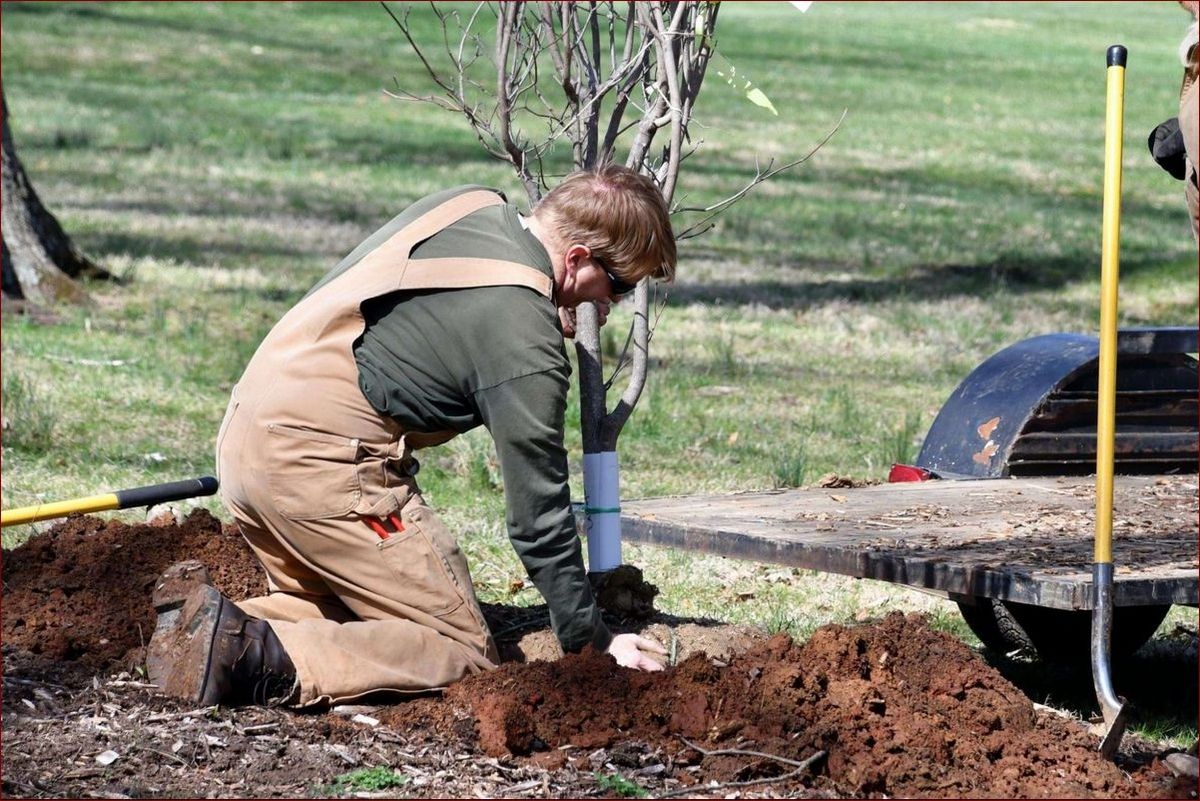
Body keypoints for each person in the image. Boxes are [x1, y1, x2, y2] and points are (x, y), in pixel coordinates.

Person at [147, 164, 675, 708]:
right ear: (577, 258)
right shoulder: (525, 338)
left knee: (355, 612)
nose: (613, 304)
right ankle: (246, 656)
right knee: (459, 648)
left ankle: (202, 629)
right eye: (618, 285)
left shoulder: (468, 205)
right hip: (320, 465)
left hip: (248, 435)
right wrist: (593, 643)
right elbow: (538, 520)